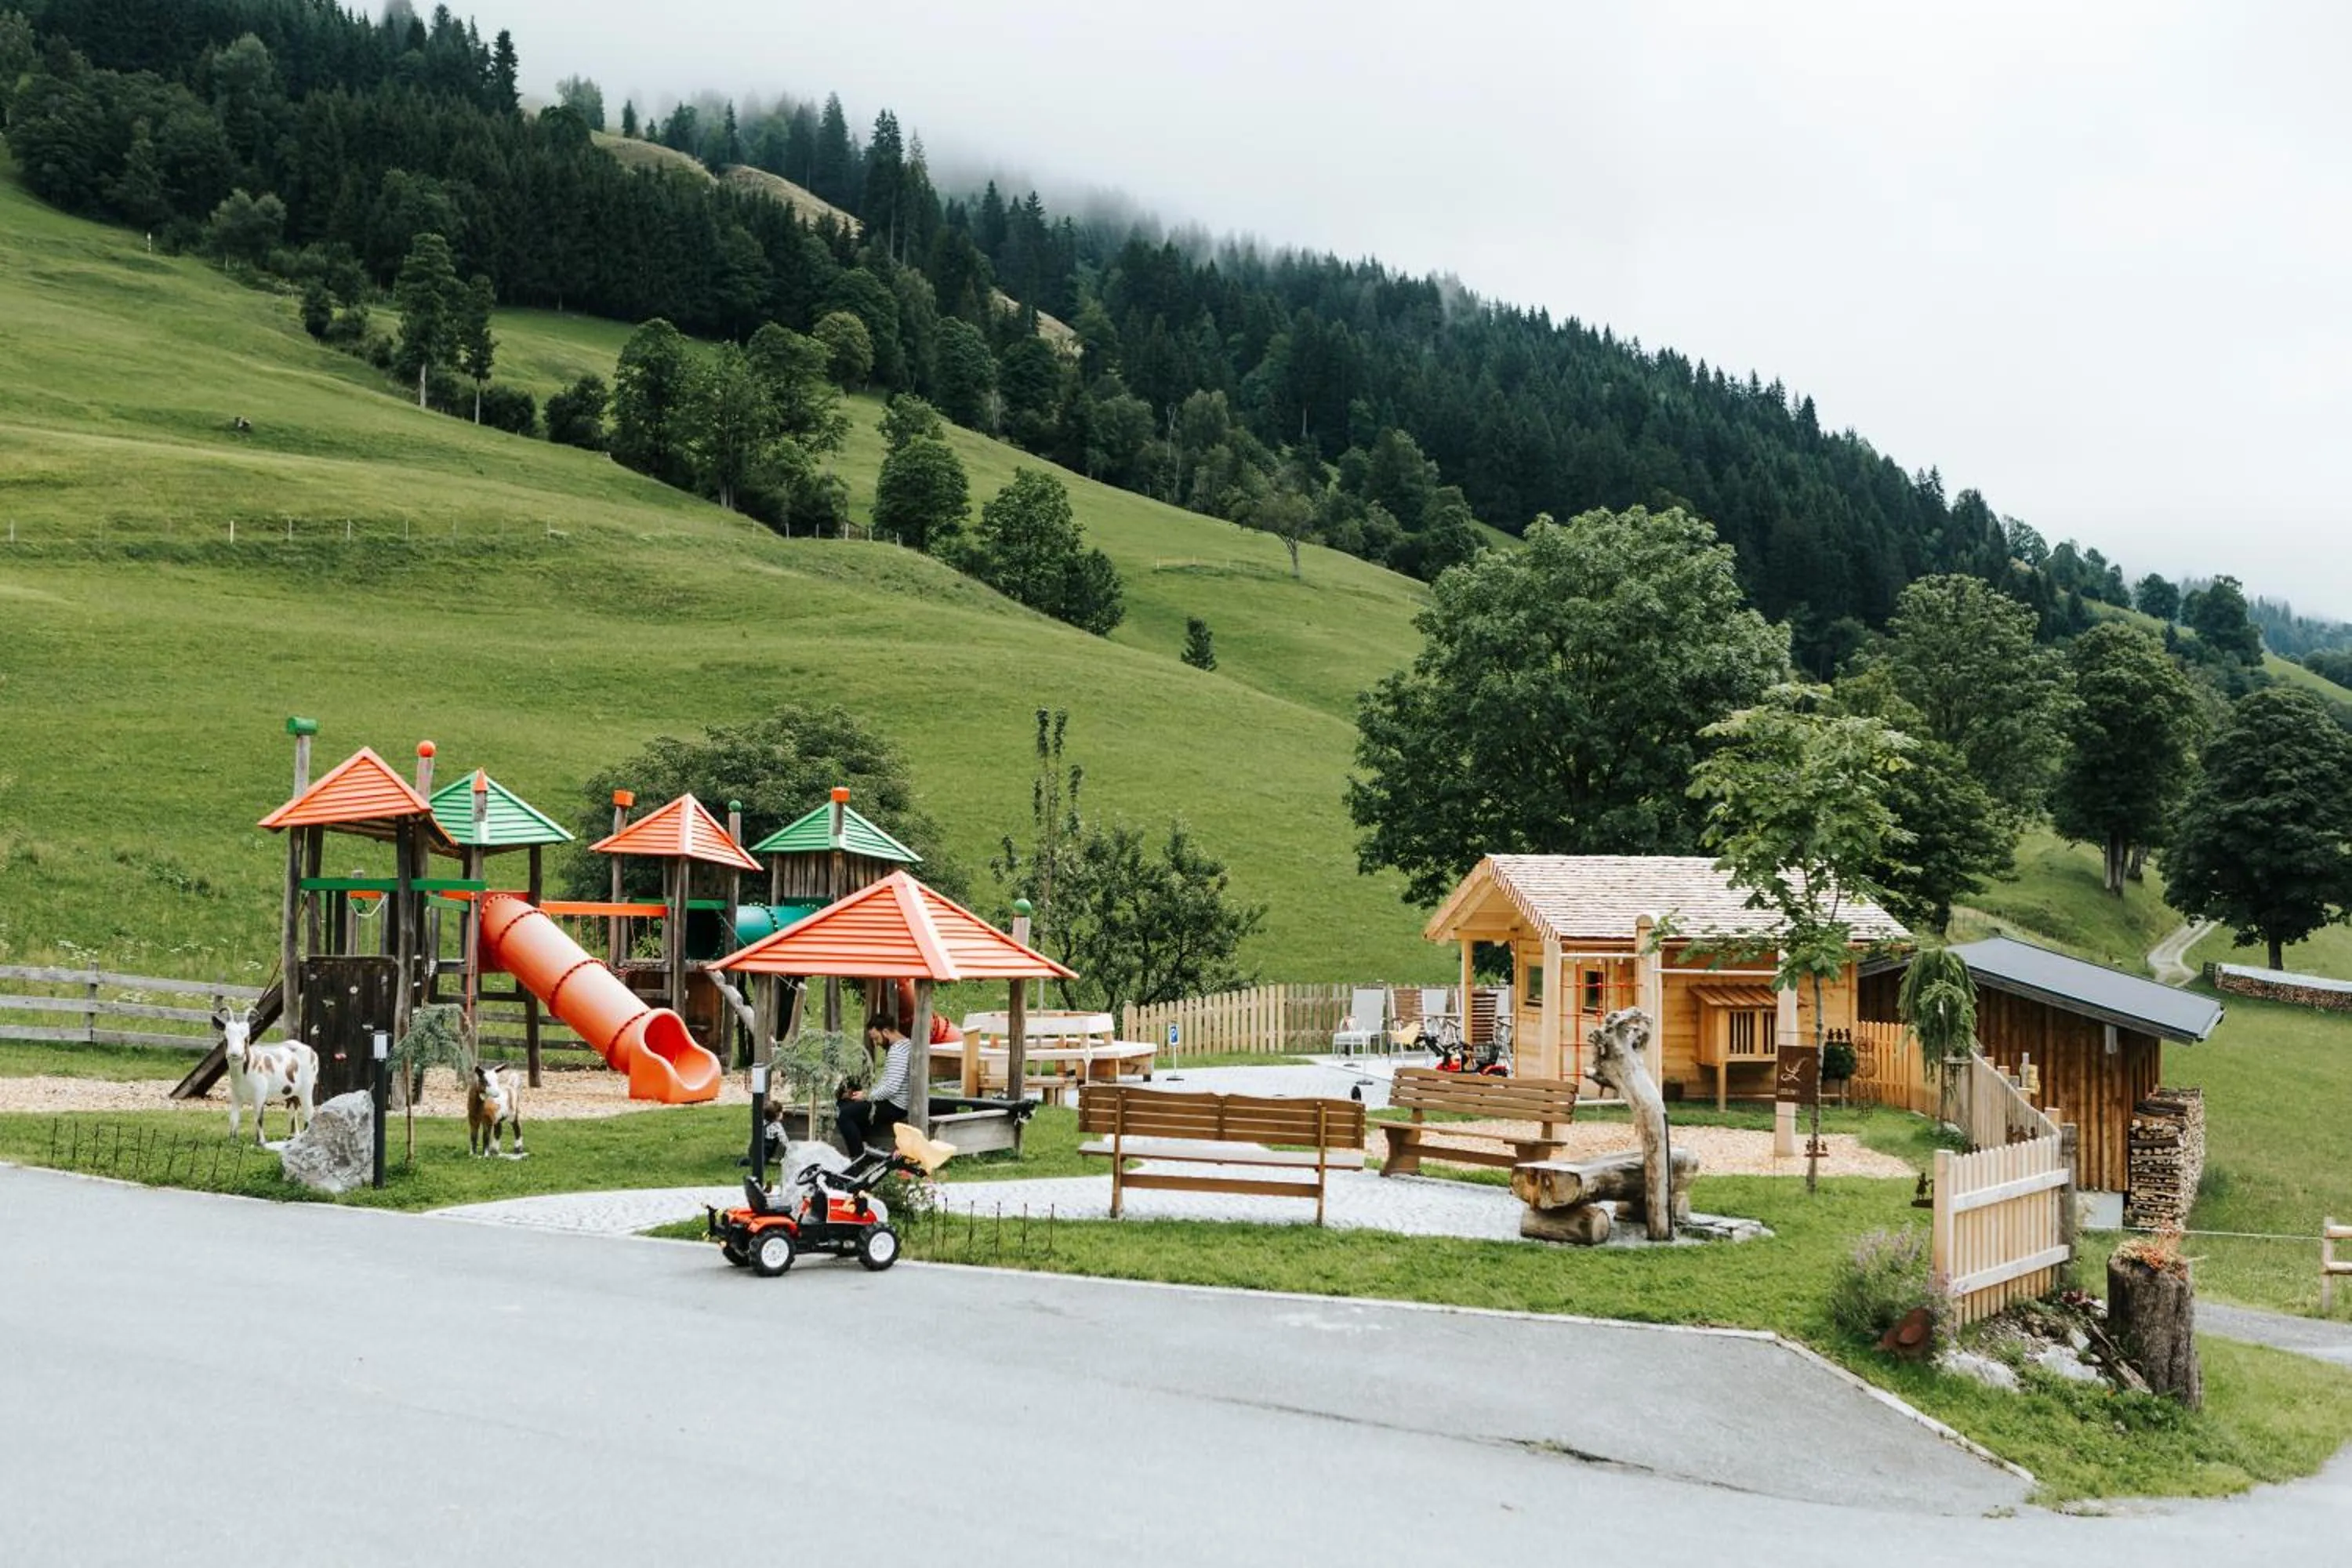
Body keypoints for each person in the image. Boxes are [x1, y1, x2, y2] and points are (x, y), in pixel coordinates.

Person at [836, 1022, 913, 1155]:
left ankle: (858, 1158)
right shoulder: (905, 1045)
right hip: (894, 1101)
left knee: (843, 1115)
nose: (876, 1043)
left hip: (895, 1105)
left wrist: (867, 1096)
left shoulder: (897, 1052)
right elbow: (888, 1084)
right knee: (845, 1104)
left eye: (876, 1038)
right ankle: (863, 1145)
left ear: (886, 1032)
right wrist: (866, 1094)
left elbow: (890, 1089)